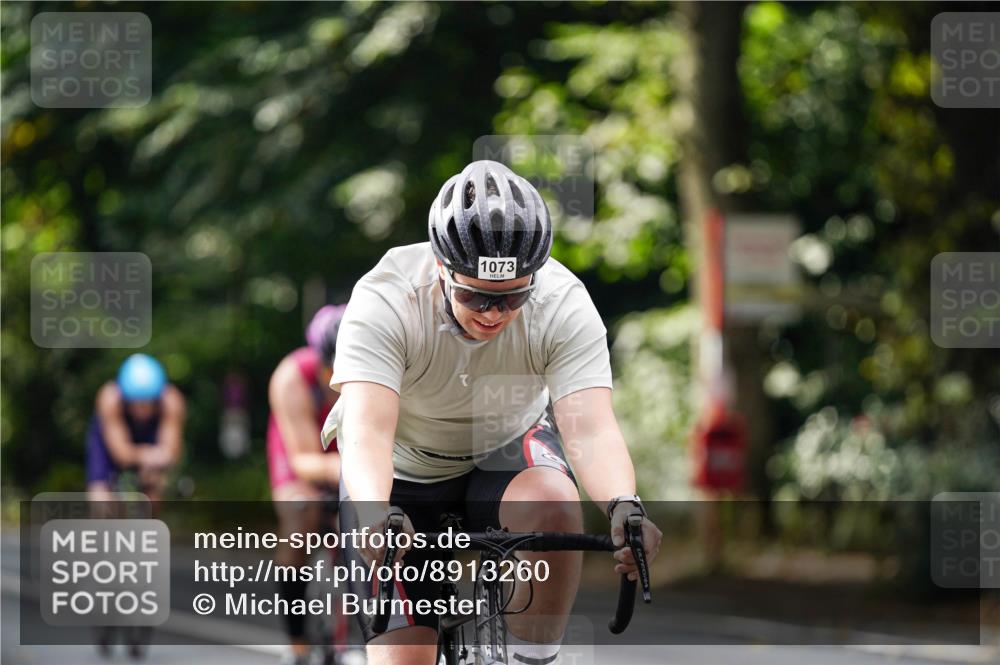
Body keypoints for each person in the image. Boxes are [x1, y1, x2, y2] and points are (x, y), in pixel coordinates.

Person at [323, 160, 663, 665]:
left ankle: (533, 656)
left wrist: (624, 506)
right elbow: (369, 432)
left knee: (553, 503)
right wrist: (374, 514)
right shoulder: (386, 299)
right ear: (442, 269)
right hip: (400, 472)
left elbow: (589, 428)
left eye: (513, 298)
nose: (493, 313)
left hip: (503, 449)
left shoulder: (563, 303)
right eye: (474, 295)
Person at [267, 304, 347, 665]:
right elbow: (302, 459)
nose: (337, 379)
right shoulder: (291, 377)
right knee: (300, 519)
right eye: (331, 368)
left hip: (347, 450)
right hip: (302, 452)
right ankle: (296, 640)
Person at [86, 353, 186, 505]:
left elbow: (171, 452)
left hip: (150, 440)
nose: (142, 411)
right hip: (111, 440)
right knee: (100, 497)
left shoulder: (171, 401)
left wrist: (155, 463)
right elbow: (121, 453)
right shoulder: (110, 399)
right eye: (137, 404)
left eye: (148, 403)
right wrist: (147, 455)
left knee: (153, 489)